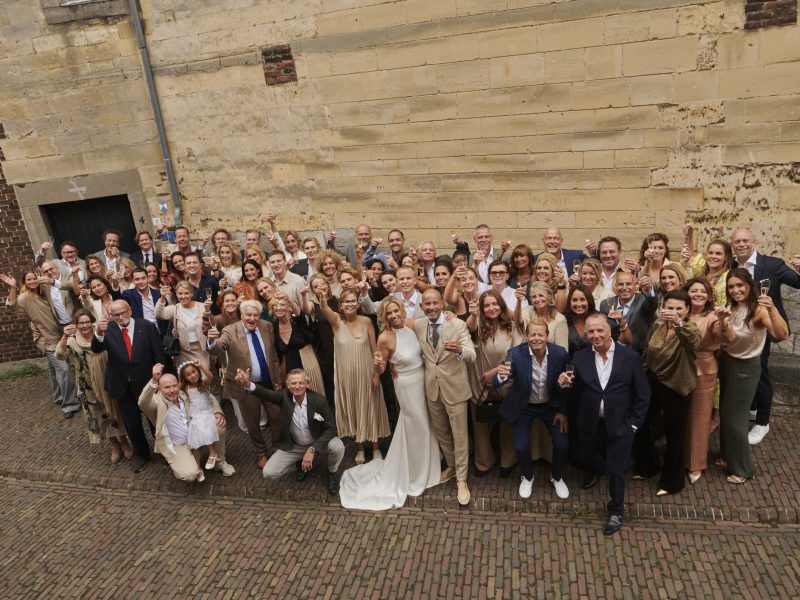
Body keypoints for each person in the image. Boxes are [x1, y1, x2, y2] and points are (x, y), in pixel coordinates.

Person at [339, 298, 441, 509]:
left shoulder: (411, 325)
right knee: (416, 424)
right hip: (405, 384)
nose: (394, 315)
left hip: (422, 378)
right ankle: (416, 471)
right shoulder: (385, 338)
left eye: (396, 311)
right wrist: (377, 366)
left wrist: (448, 314)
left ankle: (429, 462)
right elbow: (381, 368)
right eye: (389, 313)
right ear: (384, 317)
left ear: (402, 310)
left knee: (427, 422)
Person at [559, 313, 650, 535]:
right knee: (588, 454)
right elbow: (572, 388)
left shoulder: (629, 357)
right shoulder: (579, 357)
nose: (595, 335)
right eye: (591, 331)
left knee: (617, 469)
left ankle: (616, 510)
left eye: (600, 330)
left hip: (621, 424)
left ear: (610, 331)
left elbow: (643, 394)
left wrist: (634, 425)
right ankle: (597, 469)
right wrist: (563, 383)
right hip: (590, 422)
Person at [729, 227, 800, 444]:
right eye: (737, 242)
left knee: (760, 373)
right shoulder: (730, 265)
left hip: (763, 327)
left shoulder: (772, 265)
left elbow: (797, 283)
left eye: (745, 240)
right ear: (732, 245)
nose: (741, 244)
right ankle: (752, 407)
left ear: (754, 241)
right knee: (742, 370)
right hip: (739, 327)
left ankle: (762, 422)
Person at [718, 269, 788, 484]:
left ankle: (743, 469)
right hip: (727, 362)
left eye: (740, 285)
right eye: (731, 286)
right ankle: (728, 456)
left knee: (735, 417)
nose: (735, 290)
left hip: (745, 367)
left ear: (749, 285)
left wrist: (772, 308)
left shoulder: (759, 310)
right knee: (725, 413)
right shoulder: (733, 307)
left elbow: (781, 334)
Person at [633, 289, 702, 496]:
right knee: (639, 422)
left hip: (677, 386)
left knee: (675, 435)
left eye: (679, 308)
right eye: (669, 307)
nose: (673, 312)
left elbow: (694, 342)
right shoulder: (658, 324)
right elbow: (648, 350)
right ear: (663, 307)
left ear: (687, 310)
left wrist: (678, 323)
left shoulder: (690, 329)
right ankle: (648, 466)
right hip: (655, 380)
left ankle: (672, 482)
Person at [413, 289, 476, 506]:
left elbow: (472, 354)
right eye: (426, 304)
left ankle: (461, 479)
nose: (431, 307)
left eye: (434, 303)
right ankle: (451, 465)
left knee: (460, 436)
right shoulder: (418, 325)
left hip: (455, 389)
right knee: (442, 432)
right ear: (421, 306)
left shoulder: (457, 325)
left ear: (442, 304)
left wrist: (460, 350)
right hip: (432, 389)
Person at [494, 319, 571, 499]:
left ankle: (556, 476)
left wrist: (562, 409)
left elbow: (569, 383)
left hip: (551, 407)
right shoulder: (514, 354)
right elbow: (502, 378)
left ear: (547, 336)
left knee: (562, 444)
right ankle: (528, 476)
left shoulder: (560, 353)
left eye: (540, 334)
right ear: (527, 336)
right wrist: (501, 377)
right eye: (533, 334)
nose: (536, 338)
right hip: (524, 407)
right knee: (521, 447)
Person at [235, 368, 344, 495]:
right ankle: (299, 465)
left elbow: (331, 428)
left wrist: (312, 449)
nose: (297, 386)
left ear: (307, 384)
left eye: (301, 383)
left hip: (318, 441)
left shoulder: (319, 400)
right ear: (288, 385)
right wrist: (247, 384)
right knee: (268, 472)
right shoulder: (283, 397)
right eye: (293, 383)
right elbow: (265, 393)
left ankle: (332, 472)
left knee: (338, 447)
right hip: (295, 445)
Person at [207, 299, 283, 470]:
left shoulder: (266, 326)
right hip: (246, 386)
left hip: (268, 384)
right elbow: (219, 347)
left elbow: (273, 355)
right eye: (248, 315)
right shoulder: (230, 330)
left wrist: (278, 379)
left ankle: (278, 448)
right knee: (252, 421)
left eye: (256, 315)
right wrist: (212, 341)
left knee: (277, 416)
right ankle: (260, 453)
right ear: (241, 315)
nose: (252, 319)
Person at [92, 299, 165, 472]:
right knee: (132, 423)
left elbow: (159, 354)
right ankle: (142, 454)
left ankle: (163, 449)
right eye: (115, 315)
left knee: (154, 419)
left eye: (123, 313)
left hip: (146, 383)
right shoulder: (108, 329)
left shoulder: (146, 326)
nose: (120, 317)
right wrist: (98, 332)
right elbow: (96, 348)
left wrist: (160, 377)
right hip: (121, 384)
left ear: (130, 310)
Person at [319, 288, 390, 464]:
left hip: (366, 373)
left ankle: (375, 446)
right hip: (346, 377)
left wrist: (376, 375)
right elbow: (324, 308)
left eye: (353, 301)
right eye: (346, 301)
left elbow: (375, 350)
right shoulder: (336, 322)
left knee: (370, 407)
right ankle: (359, 447)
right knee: (354, 409)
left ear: (358, 304)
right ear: (341, 306)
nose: (350, 304)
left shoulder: (366, 321)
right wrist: (322, 297)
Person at [55, 309, 133, 461]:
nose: (85, 326)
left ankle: (124, 441)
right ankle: (114, 444)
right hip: (88, 384)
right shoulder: (73, 340)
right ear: (76, 325)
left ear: (92, 322)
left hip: (108, 378)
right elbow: (60, 355)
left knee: (115, 410)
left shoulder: (102, 333)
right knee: (99, 413)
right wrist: (64, 336)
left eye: (87, 322)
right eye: (81, 323)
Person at [2, 271, 81, 418]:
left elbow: (67, 289)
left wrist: (51, 280)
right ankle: (69, 405)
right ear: (25, 283)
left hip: (60, 333)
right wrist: (12, 287)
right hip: (48, 339)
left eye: (34, 278)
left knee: (53, 369)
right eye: (29, 279)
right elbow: (12, 307)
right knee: (63, 370)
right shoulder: (25, 297)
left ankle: (59, 396)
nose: (32, 281)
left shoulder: (46, 290)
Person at [138, 364, 234, 481]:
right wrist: (154, 379)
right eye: (167, 387)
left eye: (174, 386)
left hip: (195, 433)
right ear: (159, 389)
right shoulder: (156, 403)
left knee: (218, 426)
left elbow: (208, 397)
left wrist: (217, 412)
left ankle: (219, 461)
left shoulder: (183, 393)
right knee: (190, 475)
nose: (172, 390)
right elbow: (143, 402)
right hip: (179, 444)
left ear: (179, 385)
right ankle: (183, 463)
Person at [683, 278, 736, 483]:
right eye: (693, 290)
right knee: (679, 415)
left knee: (699, 418)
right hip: (678, 369)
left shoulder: (713, 316)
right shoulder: (681, 312)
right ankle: (677, 456)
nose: (698, 294)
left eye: (703, 291)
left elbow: (728, 338)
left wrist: (723, 321)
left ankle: (695, 463)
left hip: (703, 370)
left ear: (708, 296)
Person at [465, 290, 520, 477]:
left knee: (507, 423)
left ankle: (507, 461)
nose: (491, 308)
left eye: (495, 304)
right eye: (487, 305)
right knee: (480, 423)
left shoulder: (511, 326)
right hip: (479, 380)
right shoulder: (478, 325)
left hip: (505, 379)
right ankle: (483, 462)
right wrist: (474, 315)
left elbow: (517, 354)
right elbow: (469, 327)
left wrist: (495, 373)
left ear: (502, 306)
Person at [177, 360, 225, 477]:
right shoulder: (184, 388)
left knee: (205, 426)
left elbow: (210, 376)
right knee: (195, 446)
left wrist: (201, 366)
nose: (193, 375)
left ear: (197, 371)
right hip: (195, 416)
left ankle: (212, 453)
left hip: (206, 412)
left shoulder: (203, 384)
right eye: (188, 375)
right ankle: (198, 468)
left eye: (194, 372)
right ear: (184, 378)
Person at [271, 295, 325, 395]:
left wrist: (289, 299)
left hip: (307, 363)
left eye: (282, 304)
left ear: (289, 307)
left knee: (314, 394)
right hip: (288, 368)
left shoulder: (297, 320)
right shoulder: (273, 326)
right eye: (275, 305)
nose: (279, 308)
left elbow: (300, 315)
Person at [155, 280, 212, 371]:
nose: (183, 296)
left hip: (201, 350)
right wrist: (162, 297)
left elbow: (210, 324)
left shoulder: (202, 306)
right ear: (176, 294)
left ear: (191, 294)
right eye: (180, 293)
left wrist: (208, 311)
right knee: (186, 378)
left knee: (204, 376)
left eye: (186, 293)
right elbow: (159, 314)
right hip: (183, 352)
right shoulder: (175, 309)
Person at [598, 270, 656, 354]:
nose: (624, 288)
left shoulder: (643, 300)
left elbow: (652, 304)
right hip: (613, 353)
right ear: (615, 286)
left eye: (628, 284)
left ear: (635, 285)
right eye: (621, 284)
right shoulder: (606, 304)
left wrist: (648, 290)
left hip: (639, 353)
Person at [515, 281, 568, 350]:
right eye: (534, 296)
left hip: (551, 355)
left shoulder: (560, 319)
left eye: (541, 295)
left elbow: (563, 350)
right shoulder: (528, 310)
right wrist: (519, 301)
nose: (537, 299)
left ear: (549, 296)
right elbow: (518, 320)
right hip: (527, 354)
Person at [122, 267, 167, 334]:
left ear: (147, 278)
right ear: (133, 281)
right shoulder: (128, 294)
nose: (141, 282)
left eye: (143, 278)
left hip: (160, 333)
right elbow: (118, 303)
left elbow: (165, 313)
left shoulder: (158, 294)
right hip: (141, 334)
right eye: (137, 279)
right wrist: (115, 286)